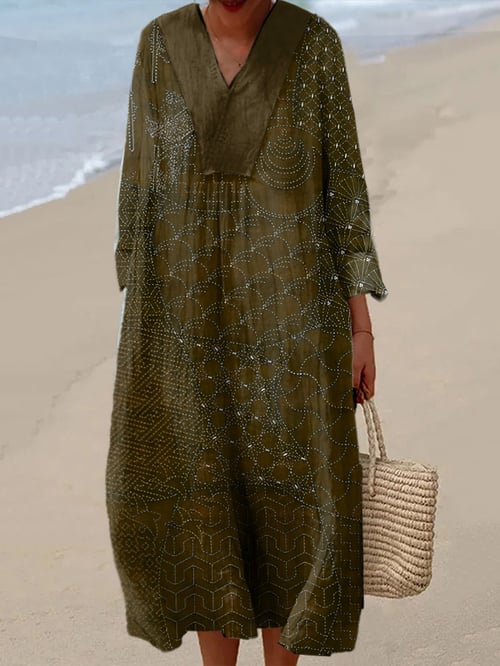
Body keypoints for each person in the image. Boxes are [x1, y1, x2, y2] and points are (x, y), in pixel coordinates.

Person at [106, 0, 389, 665]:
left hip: (295, 321)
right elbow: (140, 187)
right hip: (187, 321)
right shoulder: (160, 45)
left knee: (293, 501)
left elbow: (343, 190)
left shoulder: (313, 44)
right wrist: (144, 324)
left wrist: (361, 327)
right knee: (207, 496)